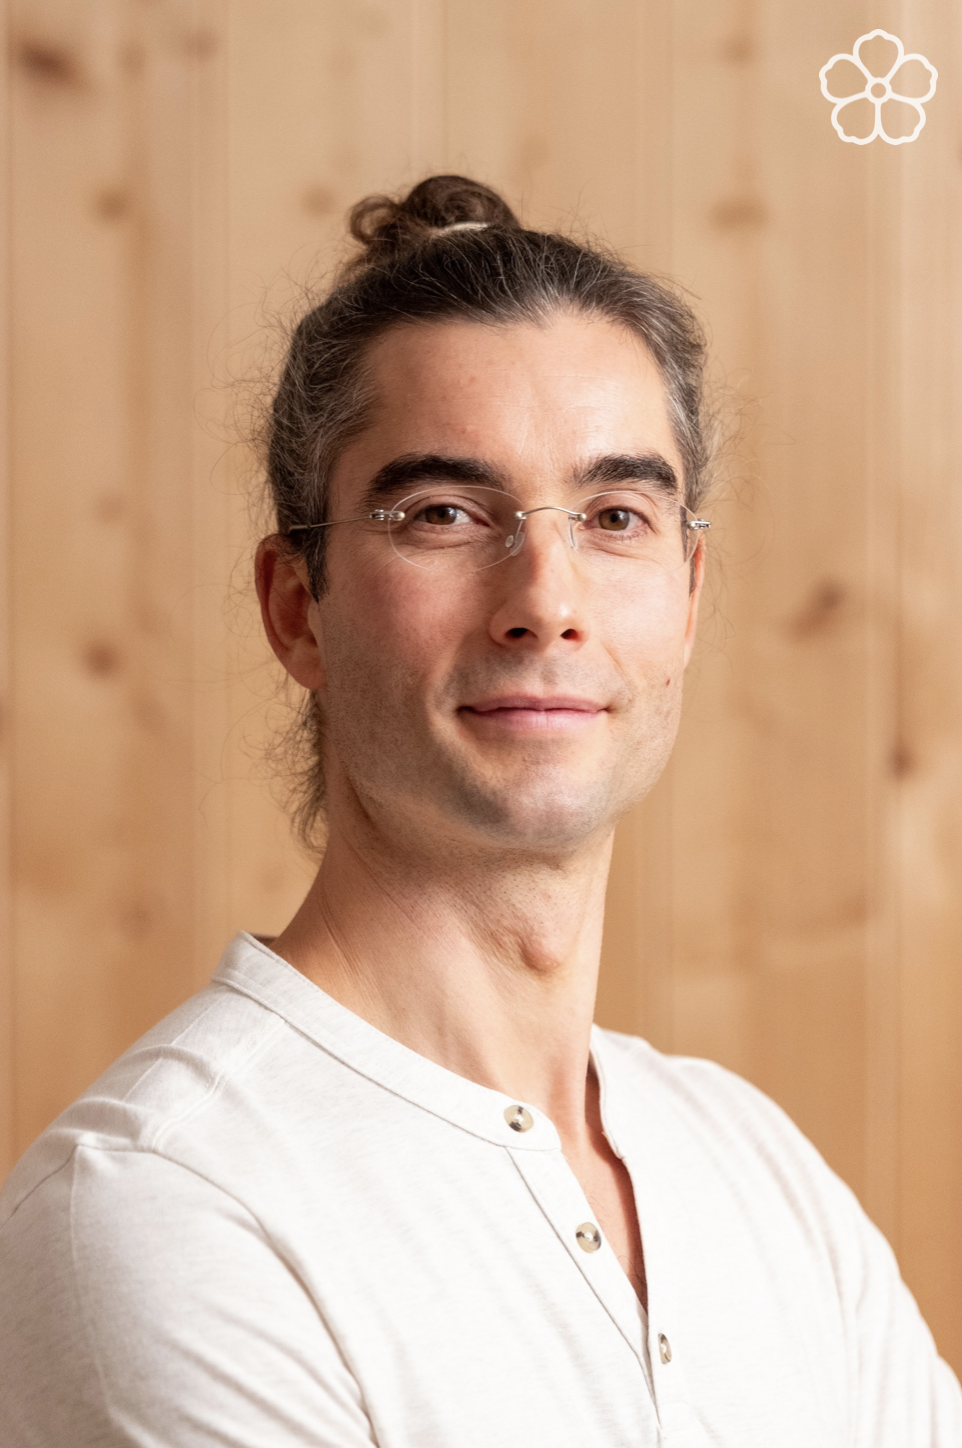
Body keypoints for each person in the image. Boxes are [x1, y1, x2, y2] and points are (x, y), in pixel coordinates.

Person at [0, 174, 958, 1448]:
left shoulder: (758, 1172)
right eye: (445, 513)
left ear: (685, 594)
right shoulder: (162, 1203)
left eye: (613, 515)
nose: (545, 599)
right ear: (296, 607)